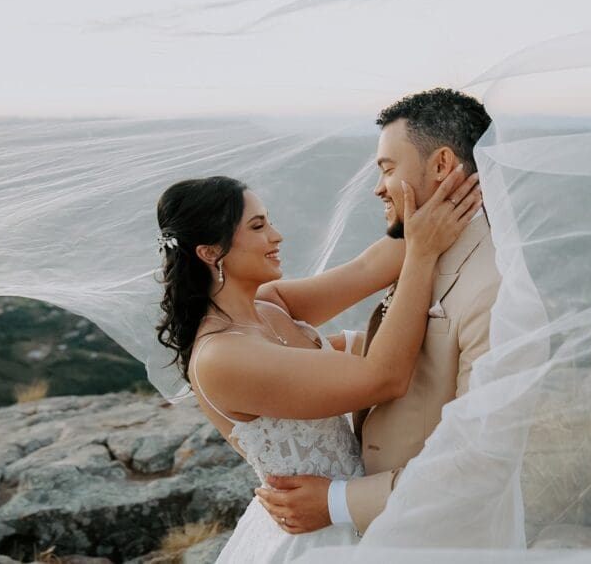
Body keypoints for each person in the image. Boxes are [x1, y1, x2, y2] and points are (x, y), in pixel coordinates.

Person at [155, 164, 481, 563]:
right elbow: (384, 378)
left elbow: (368, 267)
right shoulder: (221, 357)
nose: (276, 236)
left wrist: (455, 196)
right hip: (315, 538)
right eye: (257, 227)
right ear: (210, 252)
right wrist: (425, 252)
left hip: (358, 513)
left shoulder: (271, 307)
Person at [257, 88, 501, 536]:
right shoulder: (419, 248)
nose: (376, 187)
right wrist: (336, 348)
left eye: (388, 169)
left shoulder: (494, 287)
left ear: (443, 165)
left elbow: (482, 462)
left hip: (445, 541)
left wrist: (335, 503)